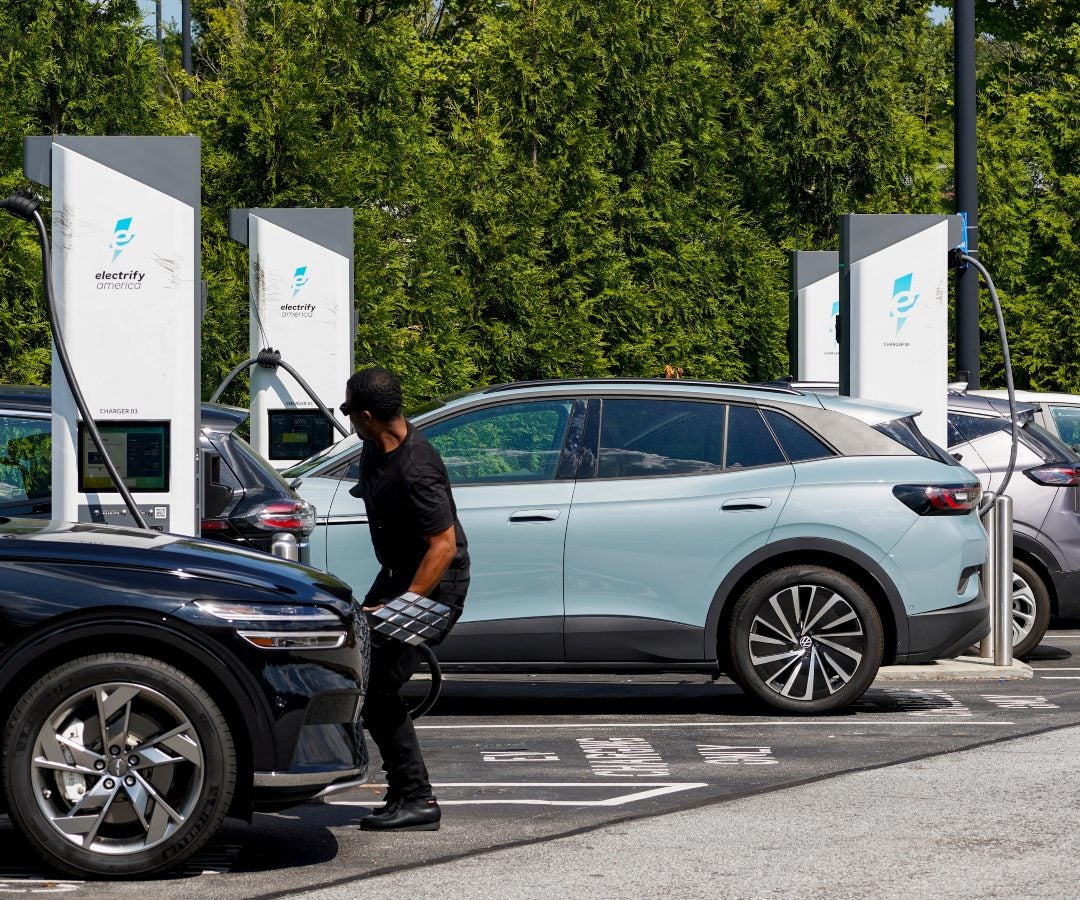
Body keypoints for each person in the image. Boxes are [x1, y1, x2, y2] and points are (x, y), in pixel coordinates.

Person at [342, 367, 469, 831]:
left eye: (353, 414)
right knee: (367, 675)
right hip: (397, 576)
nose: (351, 421)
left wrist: (405, 602)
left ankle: (417, 798)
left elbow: (444, 545)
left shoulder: (418, 466)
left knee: (378, 688)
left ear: (369, 415)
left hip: (435, 585)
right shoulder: (375, 448)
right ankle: (403, 792)